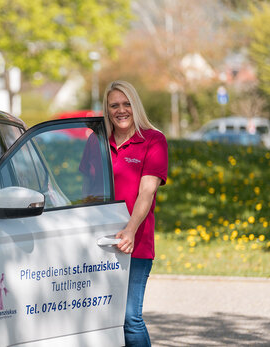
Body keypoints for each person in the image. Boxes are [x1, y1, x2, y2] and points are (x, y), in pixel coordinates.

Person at [103, 80, 168, 346]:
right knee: (103, 318)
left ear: (135, 106)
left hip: (136, 243)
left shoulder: (154, 140)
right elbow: (89, 192)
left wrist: (130, 229)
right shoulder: (97, 142)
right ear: (107, 110)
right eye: (114, 105)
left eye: (126, 103)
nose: (121, 110)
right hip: (102, 242)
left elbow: (147, 192)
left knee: (130, 317)